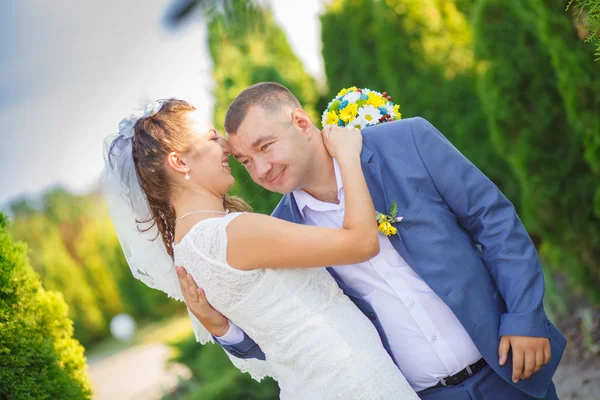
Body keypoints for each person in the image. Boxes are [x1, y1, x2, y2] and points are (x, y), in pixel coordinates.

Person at [179, 82, 567, 400]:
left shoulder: (405, 141)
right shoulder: (283, 230)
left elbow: (493, 220)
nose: (260, 169)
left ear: (300, 122)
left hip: (509, 367)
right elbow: (297, 336)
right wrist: (221, 329)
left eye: (265, 146)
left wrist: (525, 316)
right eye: (245, 161)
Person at [100, 98, 418, 400]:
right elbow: (361, 243)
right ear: (180, 161)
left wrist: (221, 328)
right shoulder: (233, 233)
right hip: (354, 382)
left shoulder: (186, 248)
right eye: (211, 138)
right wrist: (347, 156)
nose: (225, 146)